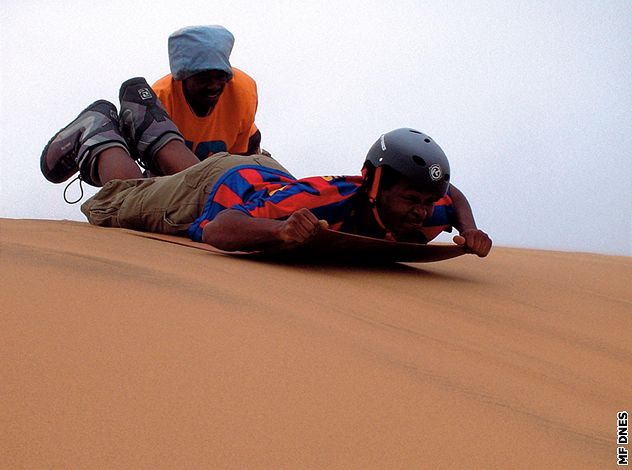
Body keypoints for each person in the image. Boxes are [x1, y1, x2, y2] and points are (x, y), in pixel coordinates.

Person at [40, 78, 492, 257]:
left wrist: (469, 227)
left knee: (196, 170)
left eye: (425, 202)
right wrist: (277, 233)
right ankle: (97, 132)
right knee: (126, 197)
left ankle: (149, 124)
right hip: (224, 187)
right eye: (411, 200)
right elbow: (219, 229)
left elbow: (452, 199)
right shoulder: (321, 202)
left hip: (262, 173)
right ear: (374, 186)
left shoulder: (427, 208)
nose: (421, 211)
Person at [151, 24, 263, 162]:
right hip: (177, 172)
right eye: (204, 77)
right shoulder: (160, 99)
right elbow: (159, 161)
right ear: (184, 77)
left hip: (237, 158)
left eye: (221, 76)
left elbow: (241, 159)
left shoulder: (243, 92)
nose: (214, 85)